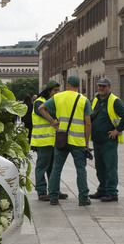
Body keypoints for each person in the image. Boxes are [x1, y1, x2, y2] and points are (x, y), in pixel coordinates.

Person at [38, 75, 92, 206]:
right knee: (81, 169)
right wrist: (86, 143)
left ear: (67, 84)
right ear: (78, 86)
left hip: (62, 139)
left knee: (56, 168)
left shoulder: (58, 97)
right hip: (78, 141)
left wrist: (53, 122)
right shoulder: (83, 100)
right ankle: (83, 198)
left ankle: (53, 197)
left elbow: (41, 108)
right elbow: (88, 123)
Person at [88, 77, 124, 202]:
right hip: (97, 139)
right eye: (99, 86)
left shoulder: (114, 101)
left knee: (110, 167)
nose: (101, 88)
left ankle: (112, 192)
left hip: (108, 141)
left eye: (104, 86)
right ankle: (102, 190)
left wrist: (117, 130)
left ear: (109, 87)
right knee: (99, 167)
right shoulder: (96, 99)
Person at [30, 80, 67, 202]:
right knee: (42, 166)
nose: (57, 93)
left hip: (52, 140)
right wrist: (54, 121)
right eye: (55, 91)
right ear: (48, 91)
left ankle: (54, 190)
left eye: (58, 90)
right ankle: (41, 192)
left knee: (53, 167)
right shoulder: (39, 102)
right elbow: (48, 113)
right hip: (43, 141)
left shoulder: (50, 102)